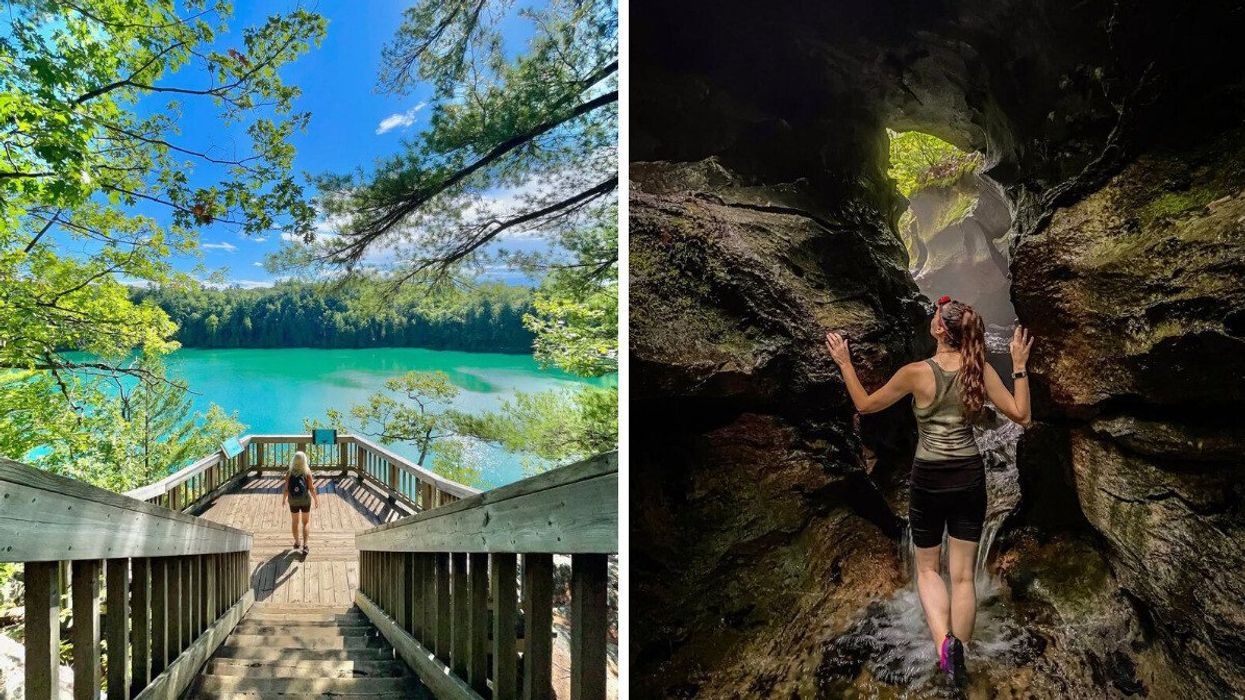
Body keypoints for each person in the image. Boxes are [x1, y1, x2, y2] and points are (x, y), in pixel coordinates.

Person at [824, 295, 1032, 686]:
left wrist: (845, 363)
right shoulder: (980, 371)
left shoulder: (916, 373)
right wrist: (1019, 365)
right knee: (964, 578)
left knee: (927, 569)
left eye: (935, 315)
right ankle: (962, 656)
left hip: (929, 480)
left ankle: (944, 649)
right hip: (969, 477)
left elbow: (865, 405)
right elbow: (1022, 416)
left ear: (939, 329)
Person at [282, 450, 319, 553]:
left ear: (294, 460)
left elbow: (286, 489)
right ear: (304, 460)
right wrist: (316, 500)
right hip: (305, 500)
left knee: (295, 522)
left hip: (293, 500)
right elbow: (311, 488)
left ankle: (297, 542)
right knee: (306, 522)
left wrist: (284, 499)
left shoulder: (289, 472)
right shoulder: (307, 472)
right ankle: (305, 546)